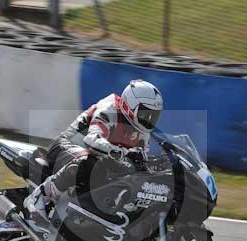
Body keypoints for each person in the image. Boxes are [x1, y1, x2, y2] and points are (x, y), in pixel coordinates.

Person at [24, 79, 163, 223]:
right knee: (88, 162)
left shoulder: (142, 130)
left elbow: (141, 157)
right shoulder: (110, 108)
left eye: (154, 115)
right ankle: (38, 196)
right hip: (66, 146)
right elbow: (92, 140)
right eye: (145, 113)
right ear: (130, 105)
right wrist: (122, 153)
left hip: (100, 158)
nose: (149, 119)